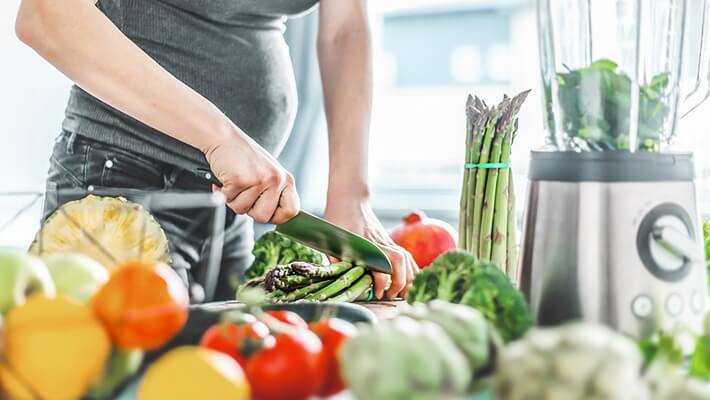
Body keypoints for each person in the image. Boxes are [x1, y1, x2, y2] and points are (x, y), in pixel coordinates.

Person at [15, 0, 418, 300]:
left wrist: (349, 197)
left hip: (230, 208)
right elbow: (47, 16)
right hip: (121, 188)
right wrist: (221, 137)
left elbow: (345, 29)